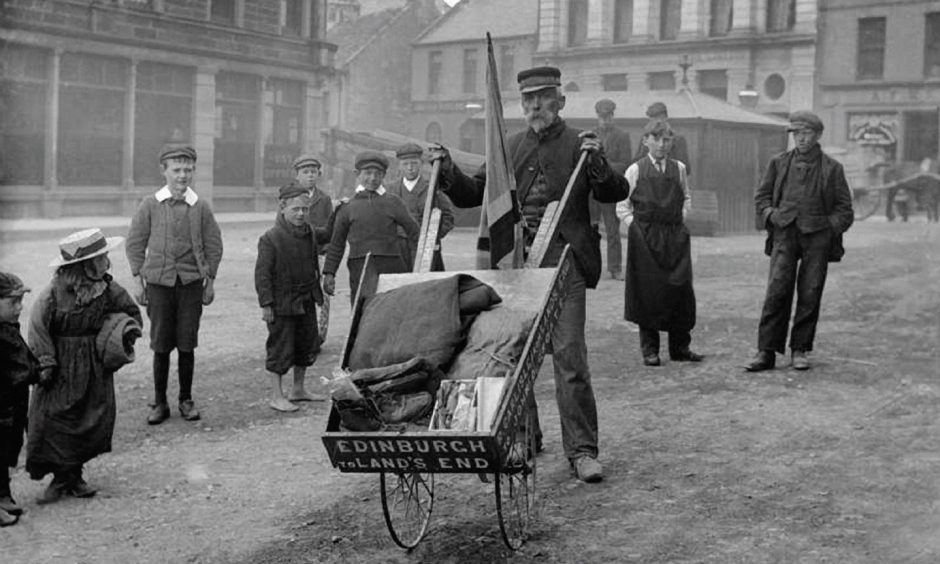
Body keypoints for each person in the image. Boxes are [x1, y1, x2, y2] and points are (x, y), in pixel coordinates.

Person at [430, 66, 629, 483]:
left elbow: (614, 191)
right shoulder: (510, 147)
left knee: (570, 357)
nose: (535, 105)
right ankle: (525, 436)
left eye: (543, 97)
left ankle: (582, 450)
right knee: (516, 354)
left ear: (560, 101)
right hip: (520, 268)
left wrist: (597, 163)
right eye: (528, 99)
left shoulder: (580, 144)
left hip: (566, 266)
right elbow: (471, 194)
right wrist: (447, 169)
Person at [27, 229, 142, 504]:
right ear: (84, 265)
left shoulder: (109, 289)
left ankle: (75, 476)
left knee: (88, 419)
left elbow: (132, 315)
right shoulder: (53, 294)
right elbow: (38, 327)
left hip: (93, 367)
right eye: (101, 258)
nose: (106, 263)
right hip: (60, 367)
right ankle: (59, 478)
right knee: (54, 419)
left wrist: (115, 336)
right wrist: (46, 362)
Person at [745, 111, 854, 372]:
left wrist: (828, 229)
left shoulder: (832, 168)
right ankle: (766, 351)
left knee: (810, 291)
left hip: (817, 237)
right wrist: (772, 214)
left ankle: (800, 349)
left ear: (817, 135)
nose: (801, 139)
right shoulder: (779, 163)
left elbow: (845, 210)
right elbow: (761, 198)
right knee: (777, 290)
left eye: (806, 134)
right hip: (784, 234)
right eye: (796, 134)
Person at [126, 144, 224, 425]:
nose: (183, 176)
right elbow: (135, 243)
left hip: (191, 284)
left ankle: (185, 399)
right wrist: (138, 280)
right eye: (177, 170)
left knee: (186, 343)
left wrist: (210, 281)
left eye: (188, 170)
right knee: (160, 344)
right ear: (164, 171)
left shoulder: (200, 207)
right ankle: (159, 402)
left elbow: (214, 245)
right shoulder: (150, 205)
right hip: (158, 284)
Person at [617, 120, 703, 366]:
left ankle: (680, 348)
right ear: (646, 141)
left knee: (680, 289)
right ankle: (650, 350)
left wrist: (680, 220)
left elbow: (686, 197)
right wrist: (636, 226)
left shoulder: (679, 168)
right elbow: (622, 206)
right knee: (648, 291)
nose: (662, 145)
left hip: (674, 235)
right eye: (657, 139)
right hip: (645, 236)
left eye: (667, 140)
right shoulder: (635, 170)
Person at [255, 185, 330, 412]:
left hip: (306, 299)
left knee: (306, 345)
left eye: (305, 210)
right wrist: (266, 304)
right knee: (280, 348)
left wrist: (340, 211)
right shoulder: (270, 238)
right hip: (281, 304)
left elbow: (329, 233)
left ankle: (298, 389)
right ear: (282, 207)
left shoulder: (309, 234)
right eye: (296, 209)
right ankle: (276, 395)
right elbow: (262, 275)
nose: (301, 214)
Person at [322, 151, 420, 304]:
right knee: (362, 313)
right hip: (360, 268)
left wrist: (416, 265)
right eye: (367, 173)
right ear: (357, 174)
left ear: (384, 175)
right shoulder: (347, 207)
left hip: (392, 267)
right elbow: (336, 244)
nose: (373, 178)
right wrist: (329, 273)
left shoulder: (394, 202)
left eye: (378, 174)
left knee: (393, 310)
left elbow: (415, 234)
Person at [0, 272, 39, 526]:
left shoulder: (7, 328)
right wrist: (38, 372)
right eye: (12, 302)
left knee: (6, 447)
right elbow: (20, 368)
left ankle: (3, 494)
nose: (19, 307)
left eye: (19, 301)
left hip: (10, 403)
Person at [389, 143, 455, 272]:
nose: (410, 168)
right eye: (405, 164)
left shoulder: (432, 188)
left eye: (414, 163)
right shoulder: (390, 190)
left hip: (426, 250)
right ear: (399, 165)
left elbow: (448, 217)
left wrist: (433, 236)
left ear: (421, 164)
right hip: (399, 249)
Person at [590, 99, 632, 281]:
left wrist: (604, 168)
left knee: (613, 231)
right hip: (591, 192)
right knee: (590, 230)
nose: (605, 120)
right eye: (601, 117)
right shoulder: (590, 135)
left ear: (613, 116)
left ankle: (615, 269)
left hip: (609, 191)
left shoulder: (622, 136)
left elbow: (625, 163)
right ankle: (590, 268)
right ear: (597, 116)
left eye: (608, 116)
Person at [633, 102, 692, 174]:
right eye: (654, 119)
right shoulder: (647, 138)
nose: (658, 122)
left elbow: (686, 169)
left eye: (660, 118)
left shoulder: (677, 140)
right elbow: (636, 162)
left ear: (666, 118)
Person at [292, 154, 335, 242]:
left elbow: (330, 228)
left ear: (319, 174)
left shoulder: (324, 198)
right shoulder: (290, 197)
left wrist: (326, 251)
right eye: (305, 172)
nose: (310, 175)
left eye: (313, 172)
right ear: (297, 176)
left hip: (318, 249)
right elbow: (281, 227)